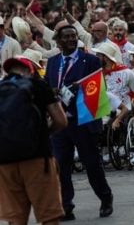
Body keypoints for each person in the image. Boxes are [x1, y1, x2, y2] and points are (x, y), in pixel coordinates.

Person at [44, 25, 113, 220]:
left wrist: (81, 88)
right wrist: (53, 92)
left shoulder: (90, 60)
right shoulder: (52, 62)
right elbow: (48, 87)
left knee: (92, 164)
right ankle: (66, 206)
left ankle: (105, 198)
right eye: (67, 37)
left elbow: (100, 87)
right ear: (58, 41)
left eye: (74, 36)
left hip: (84, 121)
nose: (72, 39)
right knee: (61, 166)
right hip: (61, 122)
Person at [0, 56, 67, 225]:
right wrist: (44, 134)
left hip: (5, 162)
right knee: (49, 215)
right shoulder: (38, 86)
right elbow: (61, 121)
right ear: (31, 71)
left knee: (16, 218)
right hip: (37, 158)